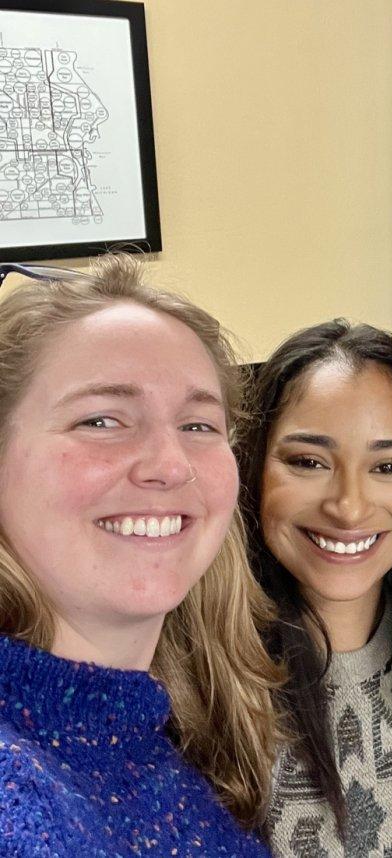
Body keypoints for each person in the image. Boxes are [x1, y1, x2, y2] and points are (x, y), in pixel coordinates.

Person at [0, 257, 282, 856]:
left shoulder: (179, 725)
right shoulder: (18, 804)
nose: (170, 464)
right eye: (101, 419)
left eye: (200, 425)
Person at [239, 321, 392, 857]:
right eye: (308, 462)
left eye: (388, 466)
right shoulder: (197, 676)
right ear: (253, 467)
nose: (349, 506)